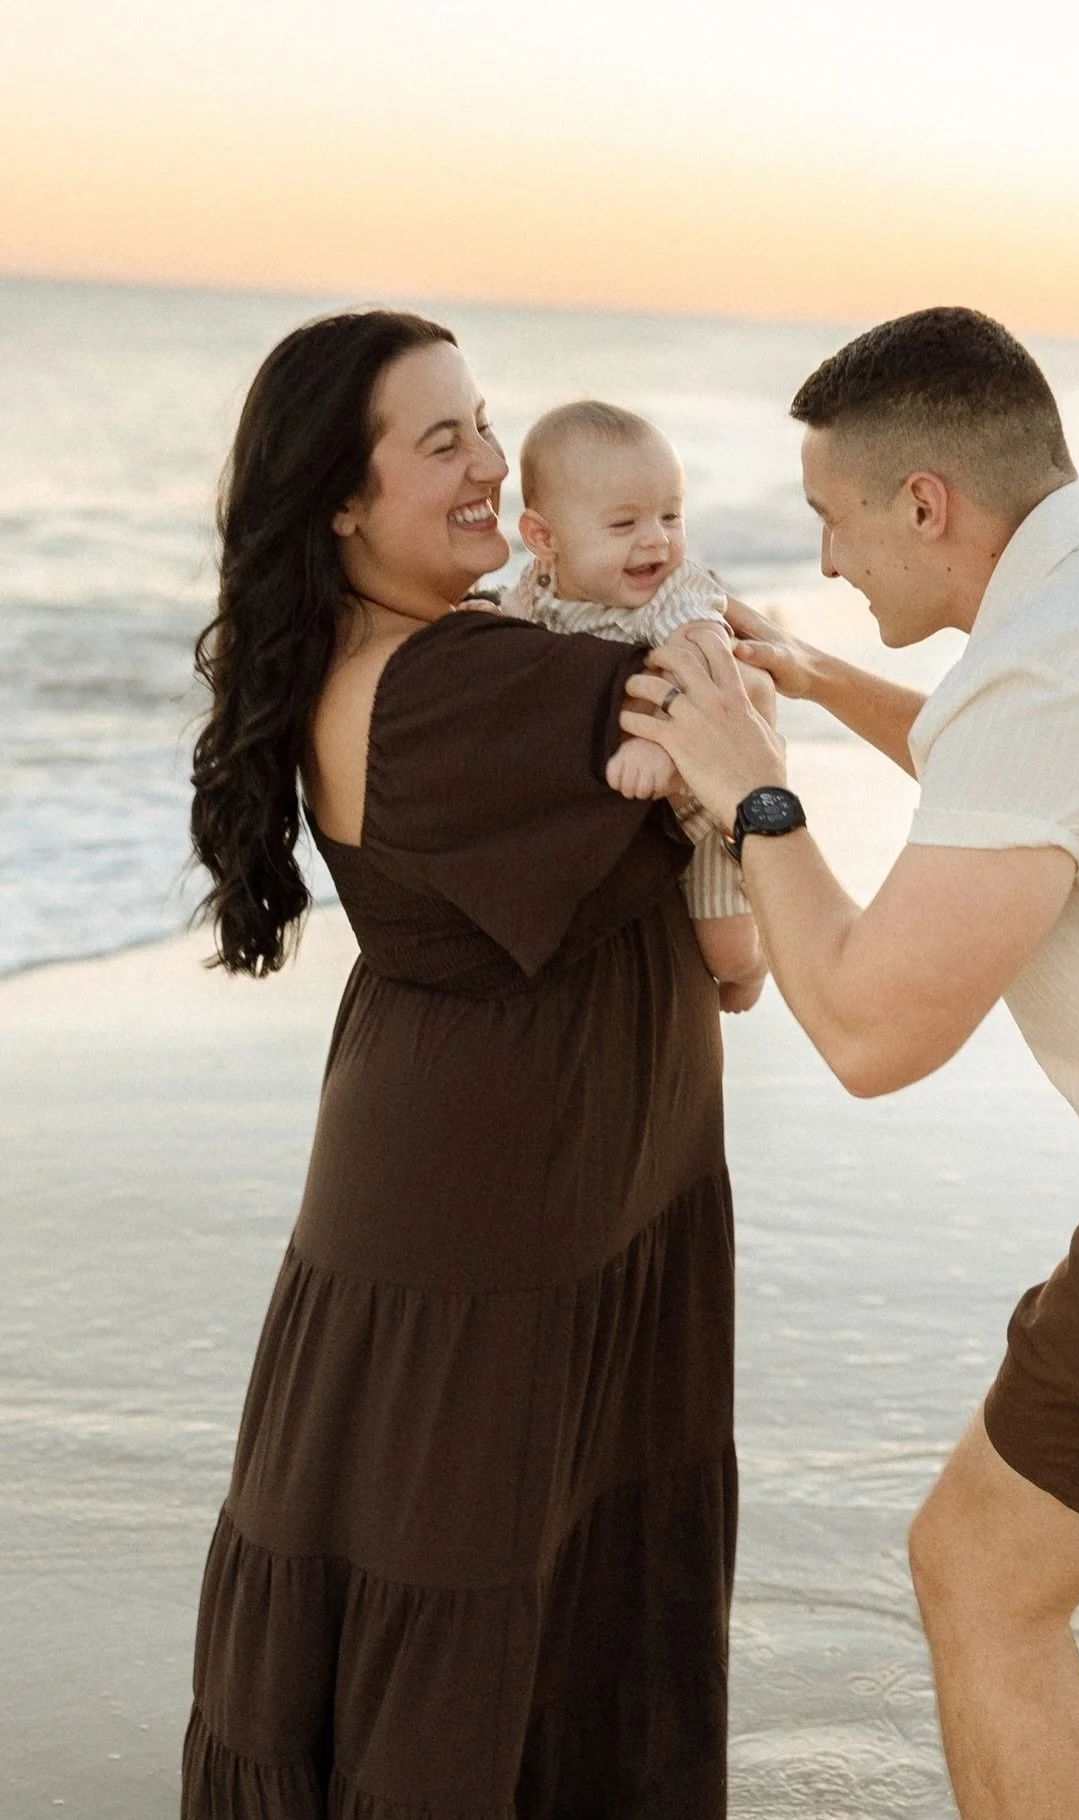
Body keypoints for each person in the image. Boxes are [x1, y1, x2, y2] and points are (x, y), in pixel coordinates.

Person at [621, 306, 1079, 1820]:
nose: (824, 557)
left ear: (925, 505)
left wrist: (753, 787)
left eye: (832, 520)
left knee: (977, 1567)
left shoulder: (1043, 680)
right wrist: (822, 686)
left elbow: (870, 1030)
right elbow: (1026, 772)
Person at [183, 309, 737, 1818]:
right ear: (343, 502)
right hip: (504, 1226)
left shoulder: (410, 658)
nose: (495, 463)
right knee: (470, 1643)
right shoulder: (464, 686)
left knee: (497, 1611)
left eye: (487, 422)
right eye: (444, 442)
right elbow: (712, 713)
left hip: (520, 1197)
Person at [502, 398, 766, 1012]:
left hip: (704, 800)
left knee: (723, 952)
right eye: (624, 525)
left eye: (671, 516)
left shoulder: (675, 593)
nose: (656, 540)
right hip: (619, 816)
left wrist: (656, 742)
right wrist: (486, 616)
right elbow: (519, 639)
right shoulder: (537, 589)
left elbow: (706, 659)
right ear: (544, 538)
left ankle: (756, 966)